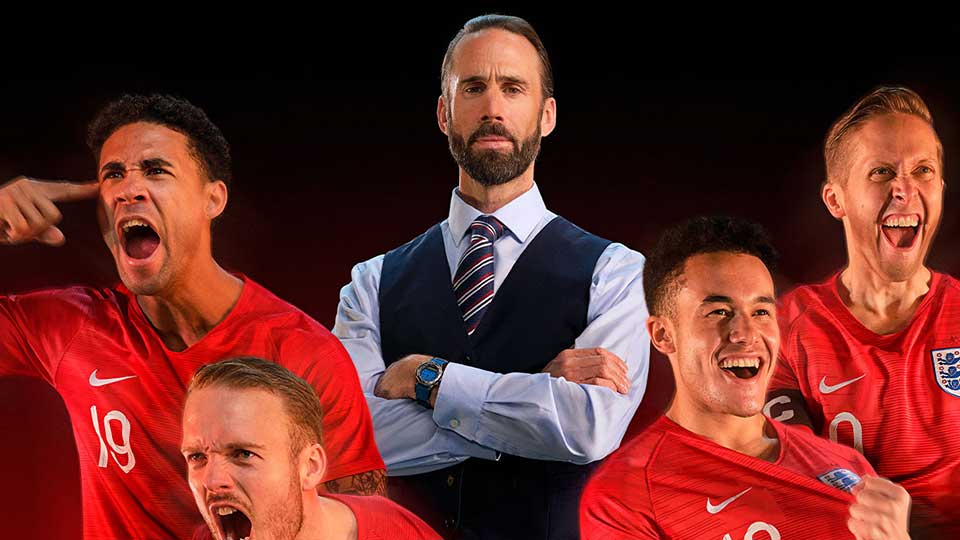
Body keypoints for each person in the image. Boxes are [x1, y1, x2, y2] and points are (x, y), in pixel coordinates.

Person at [0, 94, 385, 540]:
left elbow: (363, 520)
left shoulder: (301, 352)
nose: (129, 189)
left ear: (213, 198)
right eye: (113, 175)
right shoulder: (71, 327)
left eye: (155, 170)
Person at [334, 14, 649, 540]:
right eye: (473, 87)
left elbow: (586, 428)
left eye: (513, 88)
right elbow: (354, 439)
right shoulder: (371, 282)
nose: (494, 108)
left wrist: (424, 377)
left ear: (546, 115)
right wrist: (534, 394)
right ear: (443, 112)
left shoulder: (616, 271)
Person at [580, 216, 912, 540]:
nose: (745, 333)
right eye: (718, 312)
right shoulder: (625, 495)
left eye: (761, 312)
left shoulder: (848, 466)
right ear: (664, 335)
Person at [765, 86, 960, 536]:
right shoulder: (781, 327)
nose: (904, 190)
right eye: (881, 172)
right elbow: (796, 482)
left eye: (923, 171)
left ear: (941, 190)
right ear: (836, 200)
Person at [182, 356, 440, 540]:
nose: (211, 480)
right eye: (197, 457)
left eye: (243, 454)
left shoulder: (395, 532)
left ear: (310, 466)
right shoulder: (212, 534)